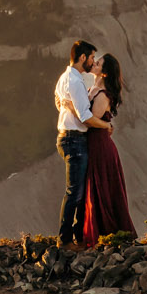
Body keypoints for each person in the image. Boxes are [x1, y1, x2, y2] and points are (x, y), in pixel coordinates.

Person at [80, 53, 136, 245]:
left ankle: (106, 233)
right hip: (94, 143)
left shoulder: (103, 95)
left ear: (104, 73)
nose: (93, 64)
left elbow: (90, 120)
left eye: (98, 63)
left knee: (101, 186)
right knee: (96, 186)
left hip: (100, 145)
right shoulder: (93, 89)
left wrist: (70, 107)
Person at [55, 40, 97, 246]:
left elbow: (58, 101)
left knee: (76, 191)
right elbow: (85, 117)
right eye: (91, 58)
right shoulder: (76, 82)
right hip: (75, 139)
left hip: (65, 136)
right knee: (75, 192)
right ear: (82, 58)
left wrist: (68, 109)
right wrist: (105, 126)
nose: (93, 61)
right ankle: (65, 240)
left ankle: (77, 237)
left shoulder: (64, 78)